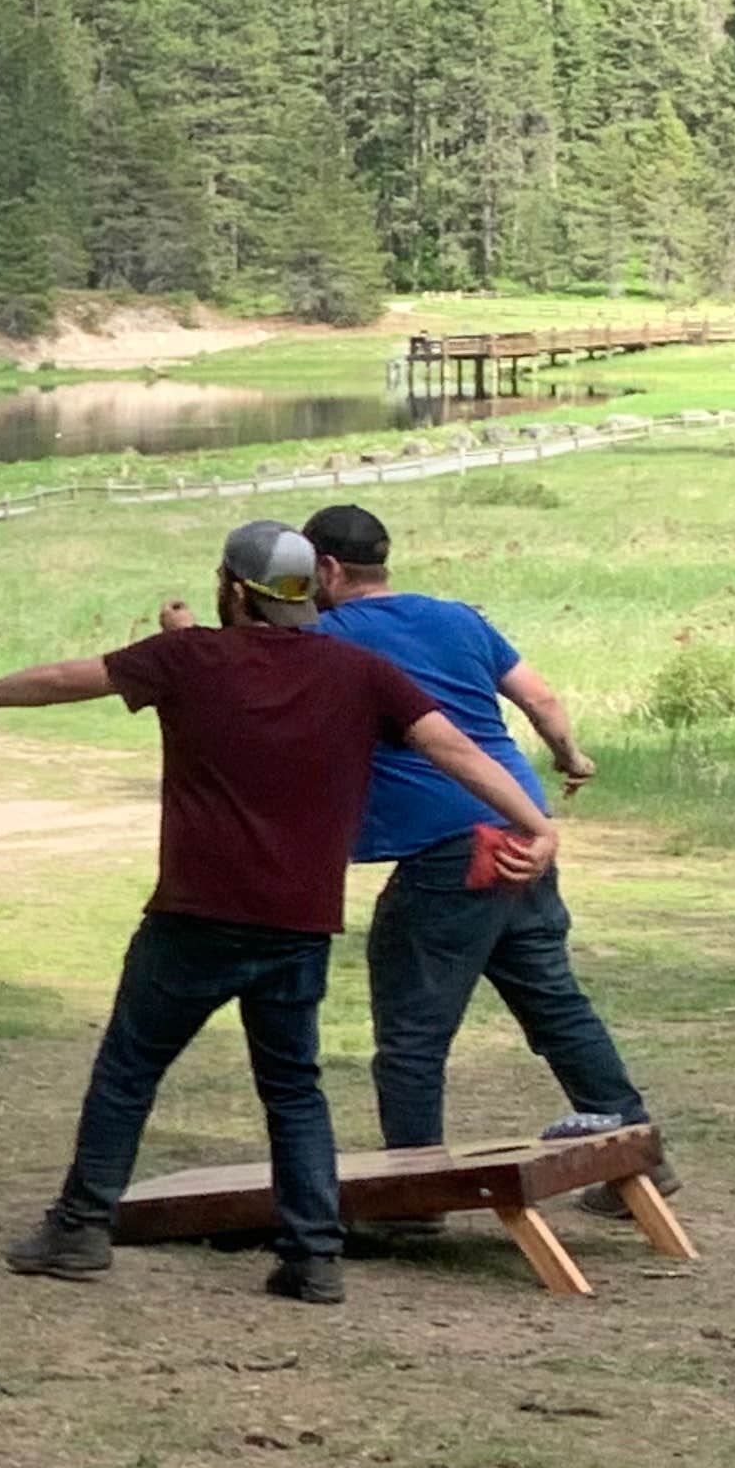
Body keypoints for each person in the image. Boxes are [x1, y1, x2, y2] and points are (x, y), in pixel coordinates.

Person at [0, 520, 561, 1305]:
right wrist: (536, 826)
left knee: (129, 1071)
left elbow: (65, 678)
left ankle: (81, 1229)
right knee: (293, 1088)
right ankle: (313, 1258)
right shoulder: (361, 672)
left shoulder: (185, 661)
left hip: (194, 917)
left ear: (233, 589)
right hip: (298, 924)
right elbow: (459, 749)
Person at [303, 502, 667, 1213]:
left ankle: (415, 1197)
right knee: (554, 1000)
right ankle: (640, 1159)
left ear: (327, 569)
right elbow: (540, 695)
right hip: (520, 827)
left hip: (449, 847)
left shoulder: (328, 634)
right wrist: (572, 757)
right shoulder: (458, 618)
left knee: (412, 1029)